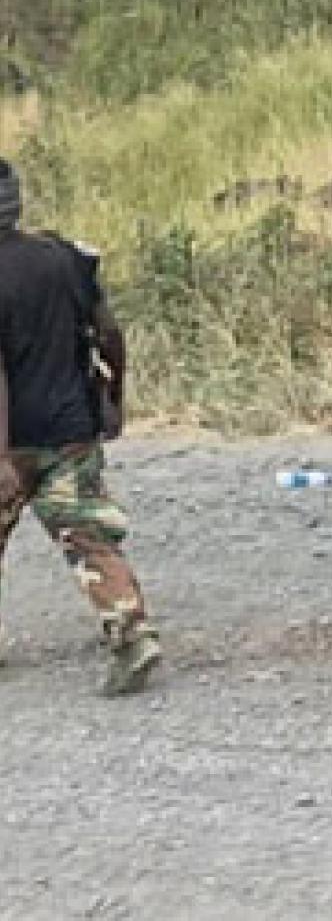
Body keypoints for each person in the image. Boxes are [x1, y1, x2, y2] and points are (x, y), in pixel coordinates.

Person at [0, 158, 161, 695]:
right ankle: (132, 633)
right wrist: (116, 391)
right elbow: (109, 332)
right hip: (72, 430)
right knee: (87, 536)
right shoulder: (64, 258)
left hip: (12, 438)